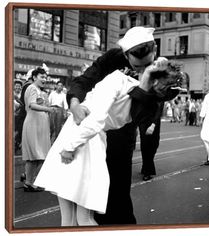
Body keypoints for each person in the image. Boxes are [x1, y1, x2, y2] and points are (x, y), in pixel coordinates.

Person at [34, 60, 183, 226]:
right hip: (91, 140)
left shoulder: (120, 81)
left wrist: (70, 146)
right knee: (77, 218)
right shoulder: (144, 102)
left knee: (76, 219)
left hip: (82, 138)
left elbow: (95, 120)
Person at [65, 26, 180, 225]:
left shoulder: (158, 68)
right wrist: (74, 101)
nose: (142, 70)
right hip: (95, 127)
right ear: (126, 54)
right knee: (87, 188)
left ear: (154, 52)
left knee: (117, 187)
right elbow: (86, 79)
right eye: (137, 66)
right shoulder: (111, 59)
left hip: (124, 129)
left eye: (147, 64)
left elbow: (154, 101)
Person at [21, 67, 55, 192]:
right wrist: (48, 109)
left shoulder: (39, 91)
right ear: (34, 77)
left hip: (39, 126)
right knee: (35, 156)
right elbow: (31, 105)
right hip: (33, 125)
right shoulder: (32, 88)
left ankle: (29, 182)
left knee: (37, 157)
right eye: (42, 77)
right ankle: (29, 182)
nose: (44, 79)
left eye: (45, 77)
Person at [139, 102, 164, 181]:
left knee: (154, 144)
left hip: (154, 121)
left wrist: (153, 125)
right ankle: (147, 171)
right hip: (143, 121)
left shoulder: (159, 93)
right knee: (145, 145)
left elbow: (159, 110)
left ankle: (145, 166)